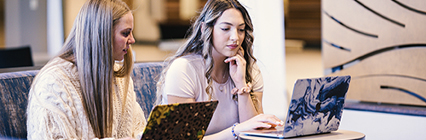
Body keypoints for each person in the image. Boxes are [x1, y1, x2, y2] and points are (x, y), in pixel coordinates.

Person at [155, 0, 284, 139]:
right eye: (225, 29)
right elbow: (184, 138)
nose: (235, 37)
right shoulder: (184, 69)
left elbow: (254, 135)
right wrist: (236, 131)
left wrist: (241, 85)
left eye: (241, 30)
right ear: (205, 29)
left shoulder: (249, 69)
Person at [26, 0, 146, 139]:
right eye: (126, 33)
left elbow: (138, 129)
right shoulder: (52, 83)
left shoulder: (120, 77)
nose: (132, 40)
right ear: (102, 35)